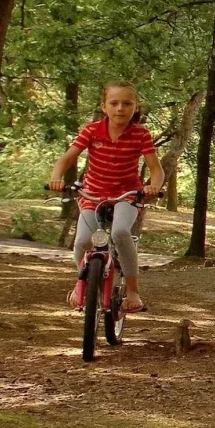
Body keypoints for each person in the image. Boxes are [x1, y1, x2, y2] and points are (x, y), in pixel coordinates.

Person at [48, 81, 163, 313]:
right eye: (114, 103)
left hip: (126, 195)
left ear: (135, 107)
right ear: (104, 106)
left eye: (127, 103)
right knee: (82, 241)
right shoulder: (92, 130)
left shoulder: (141, 134)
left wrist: (154, 186)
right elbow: (67, 158)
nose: (120, 108)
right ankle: (82, 283)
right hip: (92, 195)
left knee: (121, 232)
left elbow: (156, 169)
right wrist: (56, 177)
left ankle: (132, 291)